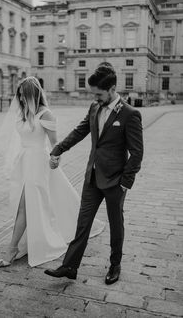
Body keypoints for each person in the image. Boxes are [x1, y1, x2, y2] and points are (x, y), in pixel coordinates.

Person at [44, 62, 143, 284]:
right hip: (92, 177)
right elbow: (81, 130)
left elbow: (137, 153)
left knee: (116, 224)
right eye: (94, 94)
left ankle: (115, 264)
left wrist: (125, 182)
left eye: (99, 94)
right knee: (83, 223)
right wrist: (59, 148)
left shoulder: (130, 114)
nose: (95, 98)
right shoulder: (94, 107)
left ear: (112, 89)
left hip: (115, 181)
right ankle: (70, 266)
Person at [0, 76, 104, 267]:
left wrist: (56, 158)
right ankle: (22, 242)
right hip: (24, 162)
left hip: (39, 163)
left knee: (25, 205)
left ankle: (12, 248)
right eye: (19, 96)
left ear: (34, 95)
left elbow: (55, 143)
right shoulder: (23, 113)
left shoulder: (45, 114)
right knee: (28, 204)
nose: (21, 100)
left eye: (24, 96)